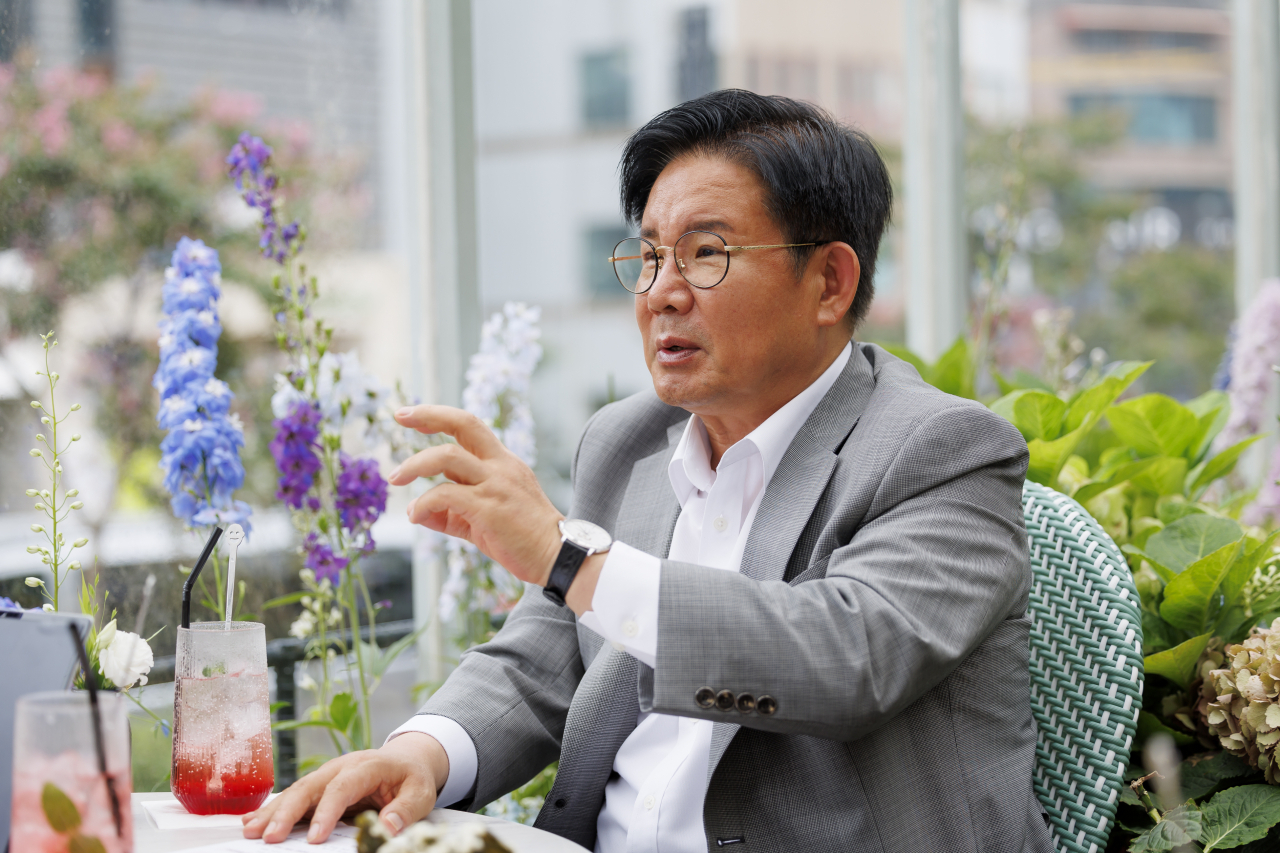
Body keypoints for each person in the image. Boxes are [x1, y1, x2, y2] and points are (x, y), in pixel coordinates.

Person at [244, 89, 1054, 853]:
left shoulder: (943, 450)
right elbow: (555, 645)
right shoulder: (629, 440)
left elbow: (847, 657)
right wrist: (425, 753)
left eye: (707, 253)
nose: (662, 293)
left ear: (829, 281)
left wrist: (570, 559)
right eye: (651, 255)